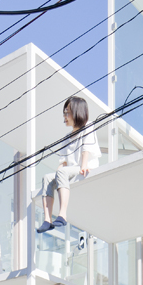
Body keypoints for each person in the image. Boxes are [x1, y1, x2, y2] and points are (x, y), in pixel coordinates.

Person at [35, 97, 101, 234]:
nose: (64, 116)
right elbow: (63, 162)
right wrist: (55, 177)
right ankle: (47, 220)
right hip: (70, 170)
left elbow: (86, 149)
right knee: (47, 177)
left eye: (67, 113)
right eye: (64, 113)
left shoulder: (88, 126)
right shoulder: (66, 138)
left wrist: (83, 165)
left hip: (85, 166)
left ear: (77, 112)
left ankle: (62, 215)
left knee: (62, 173)